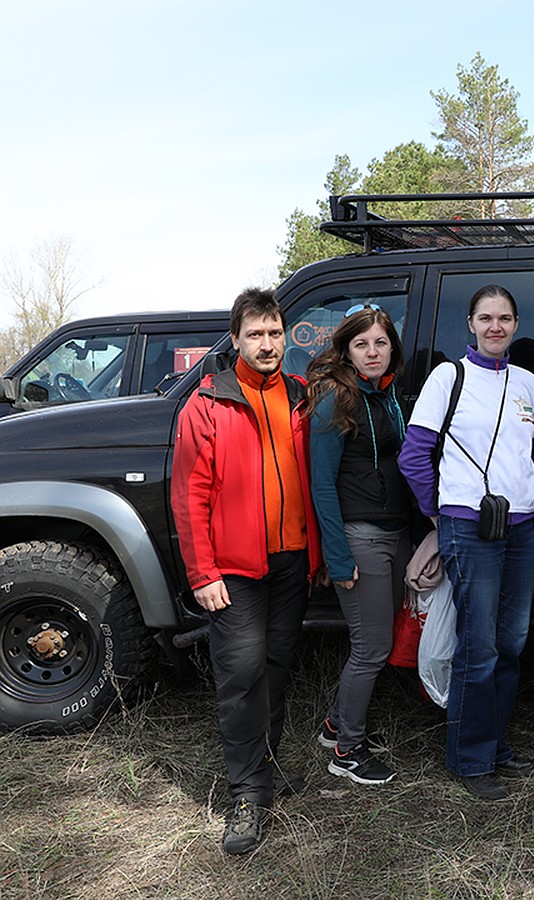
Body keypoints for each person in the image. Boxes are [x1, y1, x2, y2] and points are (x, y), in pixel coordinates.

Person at [171, 287, 321, 855]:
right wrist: (202, 573)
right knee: (241, 676)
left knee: (278, 668)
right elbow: (190, 497)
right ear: (236, 339)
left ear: (287, 337)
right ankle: (245, 795)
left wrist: (319, 558)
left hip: (291, 564)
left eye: (275, 333)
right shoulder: (208, 404)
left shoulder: (302, 397)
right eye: (255, 334)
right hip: (232, 570)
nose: (266, 344)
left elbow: (314, 483)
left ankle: (266, 772)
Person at [397, 284, 534, 801]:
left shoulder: (527, 381)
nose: (495, 327)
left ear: (516, 323)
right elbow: (414, 455)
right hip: (468, 526)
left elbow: (533, 452)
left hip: (520, 525)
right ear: (470, 323)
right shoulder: (448, 376)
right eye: (486, 317)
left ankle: (497, 745)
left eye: (505, 318)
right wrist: (439, 513)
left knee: (512, 643)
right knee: (477, 648)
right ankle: (470, 759)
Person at [307, 304, 411, 786]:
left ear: (392, 347)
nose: (373, 352)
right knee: (370, 648)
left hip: (393, 534)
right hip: (359, 537)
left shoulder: (387, 396)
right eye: (362, 344)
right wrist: (337, 554)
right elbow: (321, 484)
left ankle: (334, 724)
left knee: (379, 639)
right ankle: (347, 750)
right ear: (347, 349)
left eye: (381, 343)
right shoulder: (335, 399)